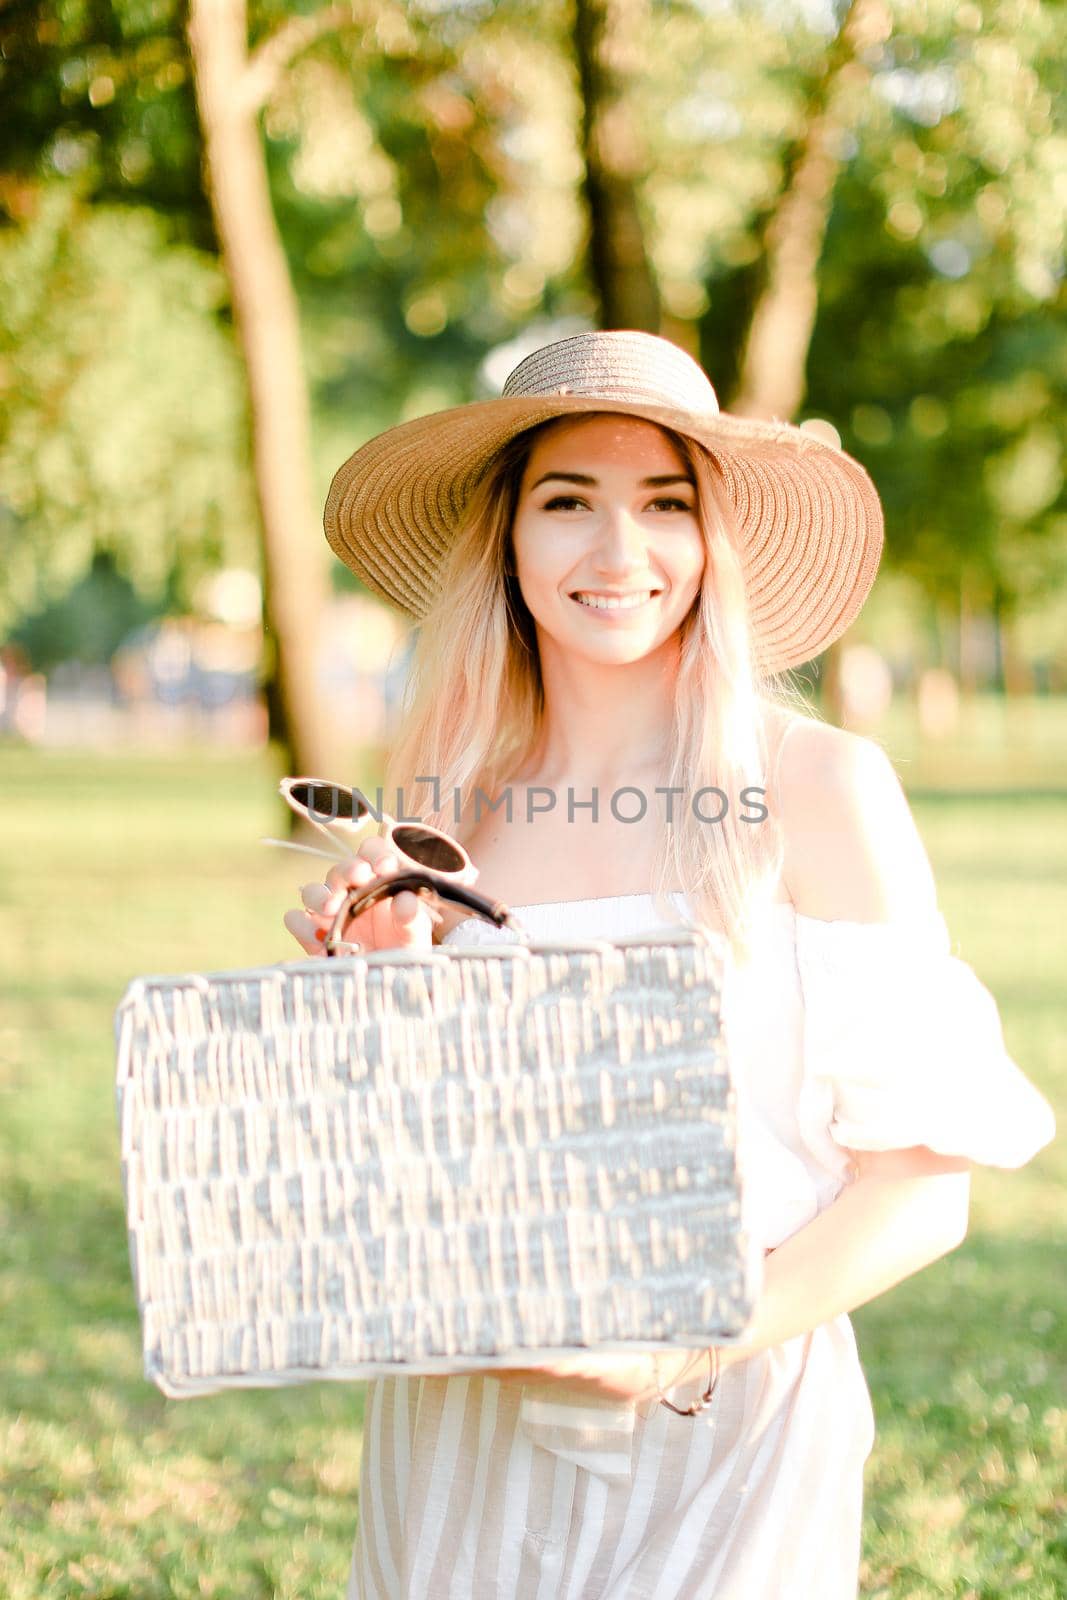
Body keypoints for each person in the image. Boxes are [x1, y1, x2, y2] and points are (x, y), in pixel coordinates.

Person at [284, 330, 1056, 1599]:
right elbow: (401, 1180)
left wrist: (673, 1348)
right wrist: (371, 994)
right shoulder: (443, 815)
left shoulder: (816, 787)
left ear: (712, 541)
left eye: (663, 504)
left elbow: (923, 1189)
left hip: (729, 1428)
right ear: (506, 536)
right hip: (460, 1438)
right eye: (566, 502)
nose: (617, 552)